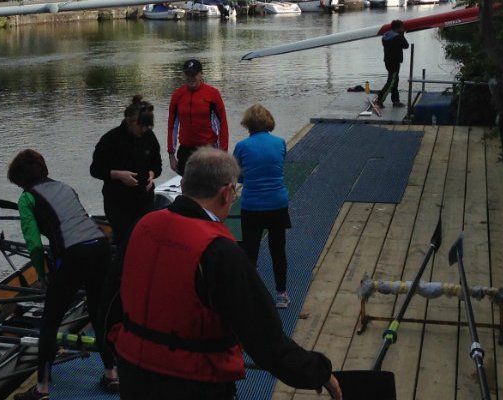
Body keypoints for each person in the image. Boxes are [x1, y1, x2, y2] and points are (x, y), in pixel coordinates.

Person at [108, 148, 342, 400]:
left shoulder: (141, 227)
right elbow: (266, 341)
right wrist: (319, 372)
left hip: (132, 374)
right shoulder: (219, 252)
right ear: (226, 193)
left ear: (184, 184)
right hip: (194, 384)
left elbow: (109, 303)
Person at [8, 150, 119, 400]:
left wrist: (42, 275)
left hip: (72, 255)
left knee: (49, 324)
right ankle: (112, 375)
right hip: (100, 246)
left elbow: (34, 244)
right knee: (99, 315)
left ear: (21, 181)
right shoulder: (65, 187)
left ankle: (42, 389)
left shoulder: (27, 199)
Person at [233, 104, 293, 309]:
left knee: (250, 251)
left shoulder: (241, 146)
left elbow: (239, 174)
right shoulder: (281, 143)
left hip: (252, 205)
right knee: (278, 249)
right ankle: (281, 294)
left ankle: (251, 295)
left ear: (247, 124)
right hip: (277, 202)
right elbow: (278, 166)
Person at [90, 95, 164, 255]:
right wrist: (118, 175)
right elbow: (95, 170)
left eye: (148, 127)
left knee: (147, 242)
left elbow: (157, 165)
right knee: (126, 244)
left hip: (144, 200)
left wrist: (152, 174)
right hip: (118, 203)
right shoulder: (110, 140)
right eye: (142, 126)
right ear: (130, 122)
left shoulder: (149, 137)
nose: (145, 130)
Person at [167, 58, 229, 176]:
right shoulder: (177, 96)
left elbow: (222, 125)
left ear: (201, 74)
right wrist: (171, 154)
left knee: (208, 189)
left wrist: (223, 153)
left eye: (194, 74)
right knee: (188, 189)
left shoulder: (213, 94)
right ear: (184, 75)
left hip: (208, 149)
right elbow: (172, 126)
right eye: (188, 74)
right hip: (186, 150)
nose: (191, 78)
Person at [376, 19, 410, 108]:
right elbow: (406, 45)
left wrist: (400, 33)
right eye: (402, 27)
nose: (403, 29)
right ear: (398, 28)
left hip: (388, 61)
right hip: (394, 62)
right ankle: (380, 100)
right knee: (391, 82)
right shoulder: (397, 37)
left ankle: (395, 101)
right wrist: (402, 34)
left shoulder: (386, 36)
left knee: (395, 81)